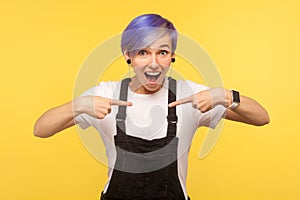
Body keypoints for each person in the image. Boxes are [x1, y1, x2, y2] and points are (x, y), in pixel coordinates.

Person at [34, 14, 269, 200]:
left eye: (162, 52)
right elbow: (41, 129)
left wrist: (225, 96)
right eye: (143, 52)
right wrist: (79, 105)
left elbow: (261, 117)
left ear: (172, 56)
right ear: (128, 55)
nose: (154, 63)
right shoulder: (106, 93)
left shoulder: (189, 94)